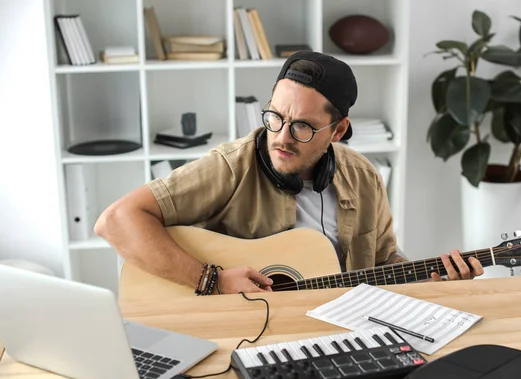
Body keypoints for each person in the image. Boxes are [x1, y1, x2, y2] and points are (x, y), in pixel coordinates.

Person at [95, 51, 484, 294]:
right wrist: (210, 280)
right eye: (275, 117)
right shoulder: (232, 165)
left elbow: (385, 263)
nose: (280, 137)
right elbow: (116, 221)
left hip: (341, 329)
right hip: (252, 334)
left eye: (302, 126)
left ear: (339, 130)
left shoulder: (364, 177)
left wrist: (432, 280)